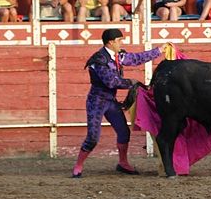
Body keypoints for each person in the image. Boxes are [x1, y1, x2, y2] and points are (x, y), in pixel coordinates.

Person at [71, 28, 165, 178]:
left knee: (123, 132)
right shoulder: (98, 60)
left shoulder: (117, 56)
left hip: (110, 101)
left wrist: (159, 50)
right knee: (93, 137)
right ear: (111, 42)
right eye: (120, 40)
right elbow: (111, 81)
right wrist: (133, 82)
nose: (122, 43)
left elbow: (136, 58)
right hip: (96, 102)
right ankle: (78, 166)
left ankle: (122, 163)